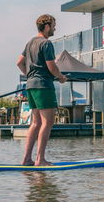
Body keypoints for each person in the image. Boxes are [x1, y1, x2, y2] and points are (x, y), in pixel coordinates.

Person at [17, 14, 67, 166]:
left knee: (36, 122)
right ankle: (40, 159)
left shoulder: (30, 42)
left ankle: (26, 159)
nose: (55, 28)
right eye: (53, 25)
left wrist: (31, 76)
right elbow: (51, 66)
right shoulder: (46, 43)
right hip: (43, 85)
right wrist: (60, 77)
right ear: (46, 27)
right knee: (48, 121)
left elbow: (19, 62)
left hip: (31, 85)